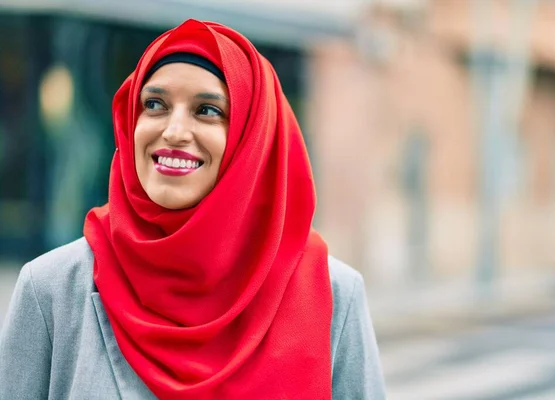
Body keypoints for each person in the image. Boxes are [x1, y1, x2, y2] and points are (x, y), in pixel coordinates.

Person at [0, 19, 385, 399]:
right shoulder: (52, 290)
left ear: (252, 139)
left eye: (207, 110)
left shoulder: (332, 296)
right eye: (155, 105)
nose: (174, 131)